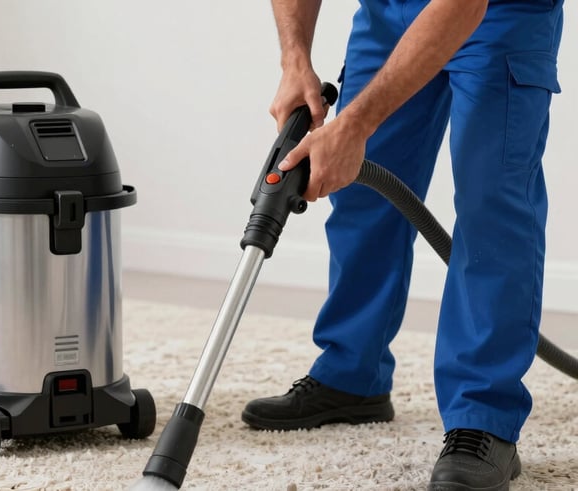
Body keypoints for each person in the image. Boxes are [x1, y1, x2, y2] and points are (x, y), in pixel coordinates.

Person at [241, 0, 564, 489]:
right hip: (390, 12)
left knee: (491, 204)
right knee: (361, 195)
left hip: (501, 12)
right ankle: (352, 374)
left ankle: (483, 418)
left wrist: (352, 126)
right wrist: (294, 60)